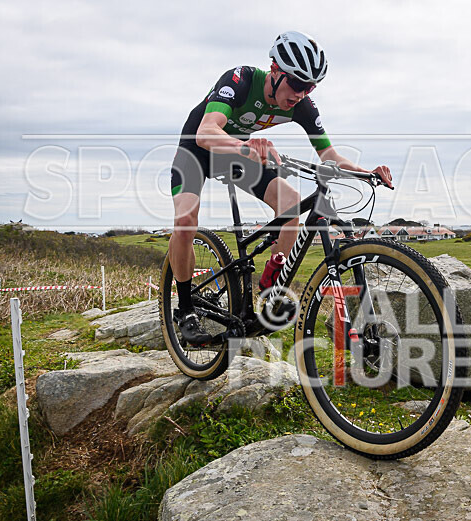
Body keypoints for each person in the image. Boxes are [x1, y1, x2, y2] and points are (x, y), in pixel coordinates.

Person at [168, 31, 393, 345]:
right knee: (185, 222)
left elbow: (329, 156)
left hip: (234, 153)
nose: (301, 93)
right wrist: (245, 147)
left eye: (310, 86)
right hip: (197, 150)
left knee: (292, 202)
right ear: (274, 70)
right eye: (297, 84)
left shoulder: (302, 107)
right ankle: (186, 308)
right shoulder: (240, 80)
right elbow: (207, 132)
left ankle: (271, 287)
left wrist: (367, 172)